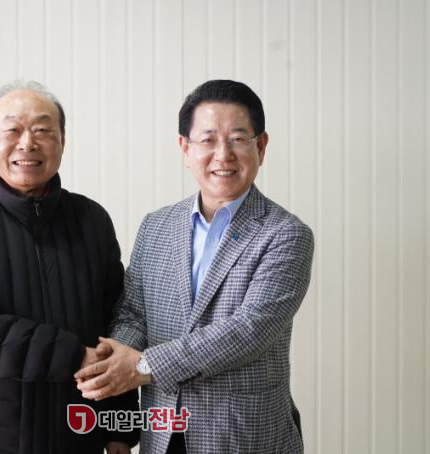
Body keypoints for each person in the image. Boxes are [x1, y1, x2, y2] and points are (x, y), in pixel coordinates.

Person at [76, 79, 314, 453]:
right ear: (185, 148)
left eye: (238, 139)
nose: (223, 155)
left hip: (242, 436)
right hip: (162, 432)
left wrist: (140, 366)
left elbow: (248, 331)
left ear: (261, 146)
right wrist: (114, 356)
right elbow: (133, 313)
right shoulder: (156, 226)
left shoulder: (286, 234)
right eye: (207, 140)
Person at [0, 80, 139, 454]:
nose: (27, 143)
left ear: (62, 141)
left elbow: (117, 323)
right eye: (12, 130)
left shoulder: (91, 219)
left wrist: (120, 426)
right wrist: (74, 355)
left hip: (80, 433)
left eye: (42, 130)